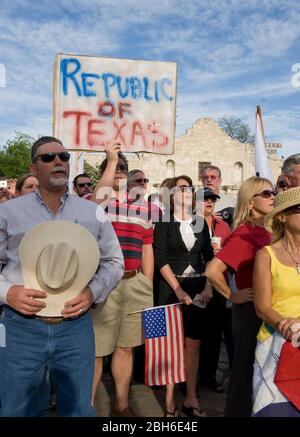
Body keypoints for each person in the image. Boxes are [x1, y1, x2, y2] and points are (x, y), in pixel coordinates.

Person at [0, 136, 124, 417]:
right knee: (17, 409)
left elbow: (114, 261)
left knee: (79, 409)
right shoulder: (7, 212)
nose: (58, 161)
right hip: (19, 327)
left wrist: (92, 292)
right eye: (48, 157)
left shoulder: (93, 212)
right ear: (33, 169)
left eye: (64, 156)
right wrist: (8, 293)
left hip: (75, 327)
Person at [90, 144, 154, 417]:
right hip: (105, 282)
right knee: (96, 351)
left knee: (126, 347)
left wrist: (147, 282)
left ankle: (122, 403)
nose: (118, 174)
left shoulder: (144, 208)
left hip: (135, 282)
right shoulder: (98, 203)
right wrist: (111, 158)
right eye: (114, 169)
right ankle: (88, 405)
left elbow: (147, 247)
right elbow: (95, 201)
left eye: (122, 169)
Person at [205, 176, 274, 417]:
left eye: (273, 192)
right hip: (249, 312)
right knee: (243, 373)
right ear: (251, 201)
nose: (272, 197)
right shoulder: (246, 233)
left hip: (265, 310)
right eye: (266, 194)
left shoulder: (265, 231)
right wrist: (233, 295)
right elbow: (213, 271)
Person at [154, 175, 213, 417]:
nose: (188, 191)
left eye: (190, 188)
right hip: (171, 289)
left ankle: (190, 398)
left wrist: (209, 286)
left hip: (198, 288)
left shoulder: (201, 222)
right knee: (171, 345)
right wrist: (177, 290)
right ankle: (169, 400)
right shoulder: (163, 223)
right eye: (182, 188)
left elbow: (209, 257)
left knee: (193, 344)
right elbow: (161, 259)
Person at [252, 186, 300, 416]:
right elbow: (262, 307)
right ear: (282, 215)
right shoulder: (266, 254)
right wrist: (289, 327)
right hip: (277, 343)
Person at [196, 187, 232, 392]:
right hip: (195, 282)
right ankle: (189, 377)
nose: (209, 201)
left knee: (213, 335)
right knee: (193, 336)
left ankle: (209, 377)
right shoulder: (189, 224)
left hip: (218, 284)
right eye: (204, 198)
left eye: (212, 199)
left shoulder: (224, 227)